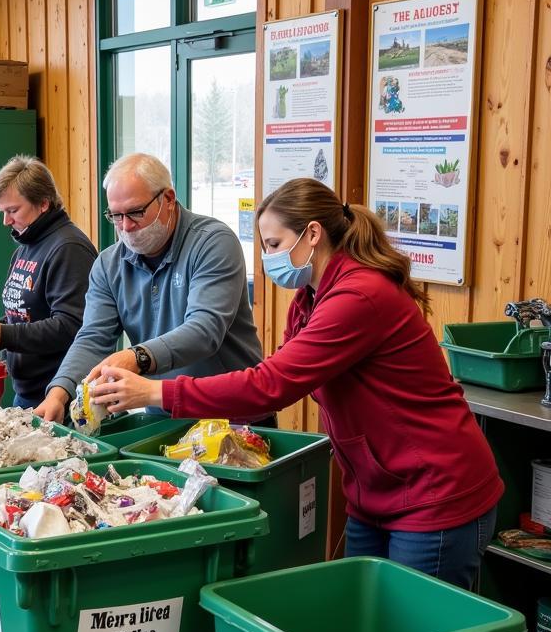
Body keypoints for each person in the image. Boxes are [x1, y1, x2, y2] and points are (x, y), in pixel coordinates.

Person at [90, 177, 503, 590]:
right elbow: (280, 373)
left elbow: (273, 384)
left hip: (435, 492)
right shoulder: (310, 298)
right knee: (368, 629)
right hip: (375, 493)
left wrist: (156, 391)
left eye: (272, 245)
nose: (268, 258)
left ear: (312, 234)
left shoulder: (359, 297)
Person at [33, 152, 266, 424]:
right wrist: (60, 392)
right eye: (116, 216)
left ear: (168, 198)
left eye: (136, 212)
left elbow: (204, 330)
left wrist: (137, 357)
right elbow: (94, 337)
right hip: (163, 418)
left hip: (234, 419)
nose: (126, 227)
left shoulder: (213, 243)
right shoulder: (109, 264)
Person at [0, 156, 97, 408]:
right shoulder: (26, 245)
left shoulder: (69, 248)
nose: (6, 221)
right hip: (26, 389)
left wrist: (4, 334)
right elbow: (27, 316)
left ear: (43, 203)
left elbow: (72, 327)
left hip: (58, 396)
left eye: (13, 211)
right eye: (3, 212)